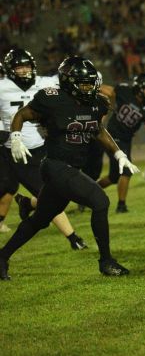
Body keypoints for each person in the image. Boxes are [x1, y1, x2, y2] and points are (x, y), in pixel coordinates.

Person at [0, 56, 138, 280]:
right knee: (100, 202)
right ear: (68, 82)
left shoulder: (97, 102)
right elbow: (22, 114)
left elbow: (97, 130)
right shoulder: (52, 99)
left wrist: (118, 153)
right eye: (84, 84)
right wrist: (15, 137)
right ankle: (106, 261)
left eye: (91, 83)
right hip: (55, 166)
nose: (89, 88)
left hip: (69, 168)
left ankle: (2, 256)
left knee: (40, 220)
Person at [0, 48, 87, 250]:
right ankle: (72, 237)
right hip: (16, 151)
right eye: (19, 67)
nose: (24, 70)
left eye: (27, 66)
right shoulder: (2, 86)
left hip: (44, 146)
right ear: (10, 69)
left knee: (56, 191)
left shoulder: (46, 83)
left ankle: (28, 204)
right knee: (49, 192)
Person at [97, 73, 145, 213]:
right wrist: (90, 87)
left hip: (125, 140)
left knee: (114, 177)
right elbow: (108, 90)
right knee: (126, 170)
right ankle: (121, 206)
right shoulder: (126, 92)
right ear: (139, 87)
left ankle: (87, 192)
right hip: (111, 136)